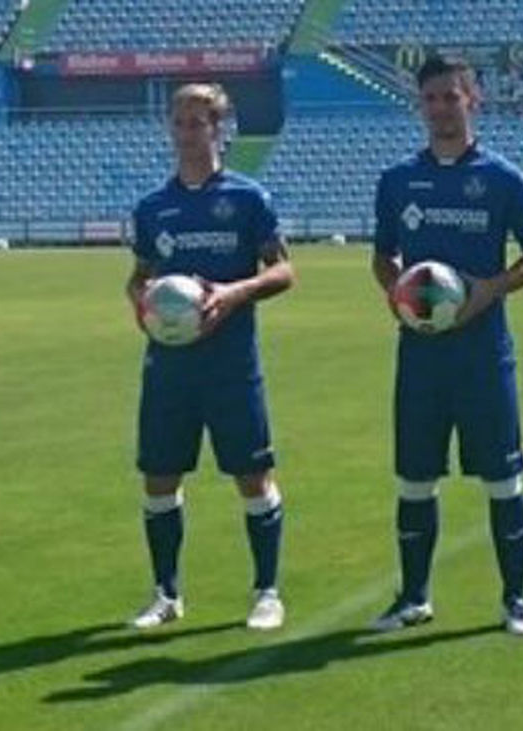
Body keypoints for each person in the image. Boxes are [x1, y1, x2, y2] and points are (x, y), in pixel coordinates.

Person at [369, 56, 523, 637]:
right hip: (420, 356)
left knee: (503, 479)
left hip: (483, 355)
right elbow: (383, 256)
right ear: (420, 106)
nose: (441, 108)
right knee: (414, 479)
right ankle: (413, 598)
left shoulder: (502, 178)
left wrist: (489, 290)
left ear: (472, 99)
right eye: (431, 98)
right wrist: (397, 293)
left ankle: (515, 601)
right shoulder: (398, 180)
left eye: (451, 96)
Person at [125, 83, 295, 631]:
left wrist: (232, 293)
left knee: (252, 476)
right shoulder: (153, 208)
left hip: (231, 366)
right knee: (159, 477)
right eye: (179, 123)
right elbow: (138, 277)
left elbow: (283, 270)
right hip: (169, 366)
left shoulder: (248, 199)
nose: (187, 133)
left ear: (220, 129)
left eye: (198, 123)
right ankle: (166, 594)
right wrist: (143, 304)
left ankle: (267, 592)